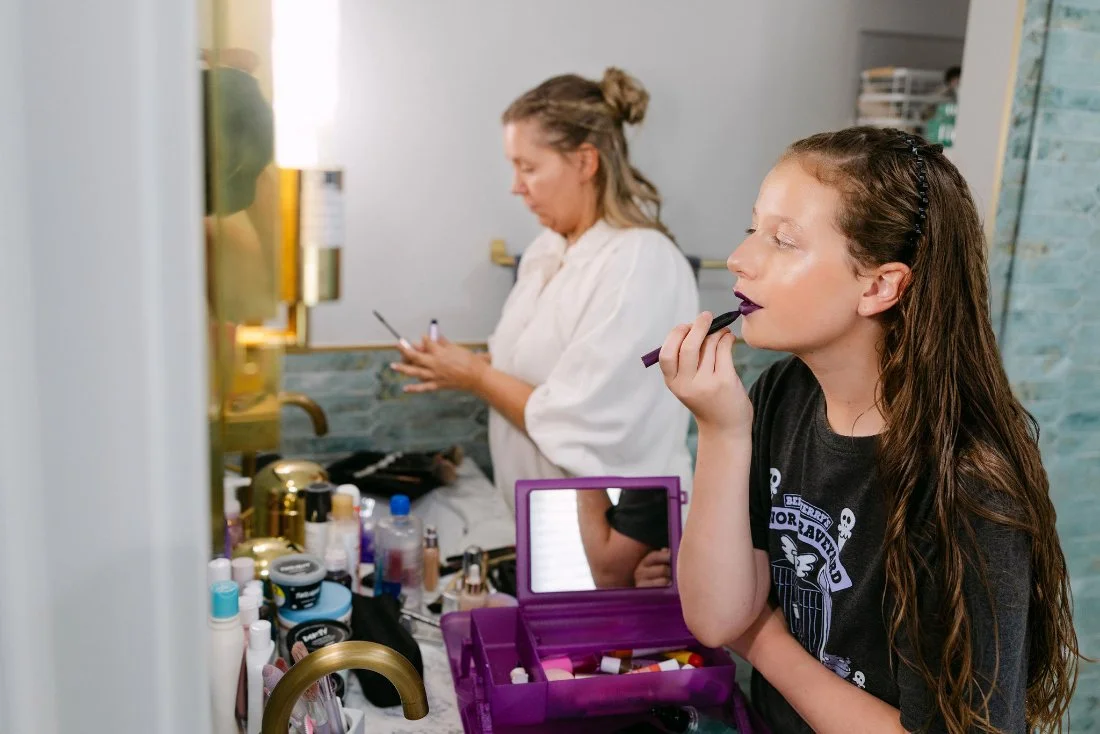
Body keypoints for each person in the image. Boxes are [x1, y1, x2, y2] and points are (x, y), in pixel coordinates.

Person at [660, 127, 1079, 732]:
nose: (740, 257)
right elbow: (717, 618)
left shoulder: (964, 484)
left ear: (880, 285)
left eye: (783, 240)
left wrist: (766, 640)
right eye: (753, 228)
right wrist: (722, 432)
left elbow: (744, 627)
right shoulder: (782, 394)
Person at [391, 68, 697, 588]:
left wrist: (475, 376)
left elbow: (580, 419)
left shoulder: (640, 264)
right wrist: (460, 367)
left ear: (584, 161)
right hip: (549, 526)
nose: (516, 187)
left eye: (528, 167)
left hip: (617, 539)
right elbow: (544, 370)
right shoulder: (549, 249)